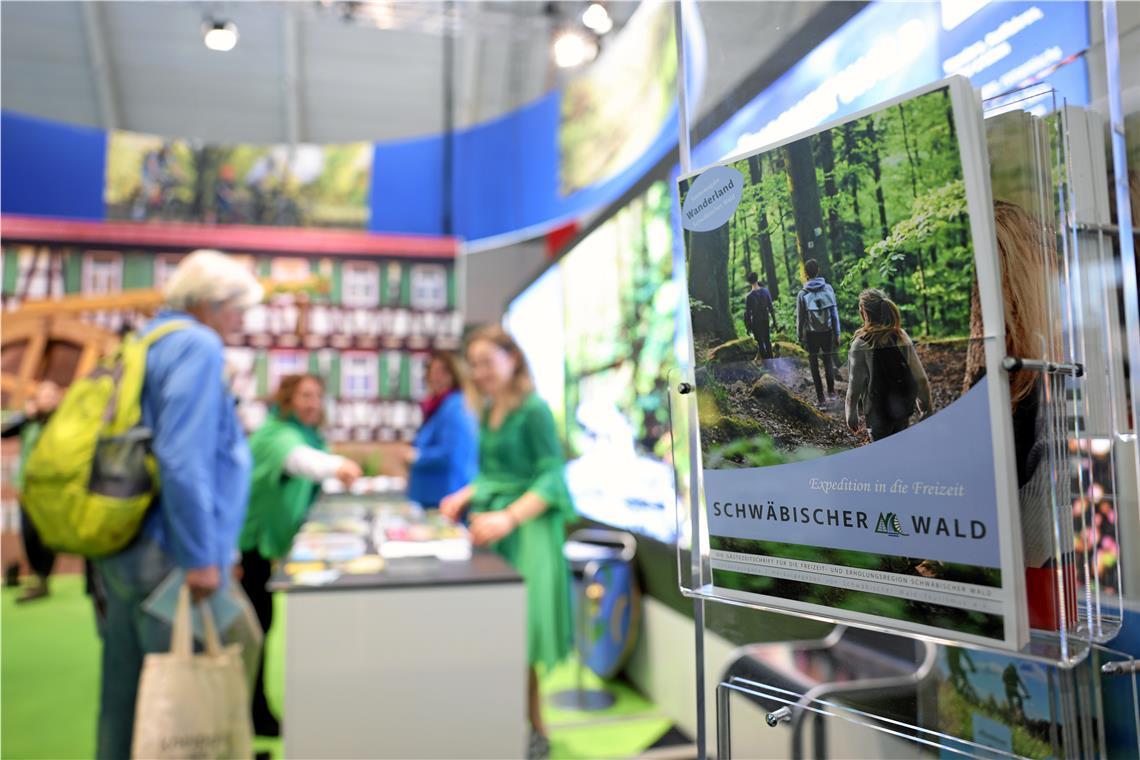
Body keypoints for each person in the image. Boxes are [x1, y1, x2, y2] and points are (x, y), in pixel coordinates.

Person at [94, 249, 263, 760]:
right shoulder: (197, 346)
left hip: (127, 541)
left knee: (126, 691)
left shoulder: (149, 339)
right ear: (210, 303)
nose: (241, 319)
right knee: (181, 698)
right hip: (170, 551)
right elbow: (183, 458)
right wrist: (200, 556)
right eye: (237, 307)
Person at [439, 327, 573, 760]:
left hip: (527, 533)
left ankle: (535, 730)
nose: (478, 372)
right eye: (473, 365)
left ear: (512, 358)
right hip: (493, 530)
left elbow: (552, 477)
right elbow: (491, 474)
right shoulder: (491, 409)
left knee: (521, 638)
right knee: (496, 634)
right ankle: (506, 723)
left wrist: (509, 515)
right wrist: (466, 494)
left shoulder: (534, 409)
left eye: (486, 361)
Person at [239, 374, 362, 737]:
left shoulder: (304, 433)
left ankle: (252, 714)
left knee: (261, 627)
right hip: (248, 548)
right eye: (305, 395)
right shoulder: (277, 434)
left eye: (318, 396)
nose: (312, 403)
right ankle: (252, 717)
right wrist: (337, 466)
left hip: (265, 549)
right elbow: (300, 460)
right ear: (287, 399)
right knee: (254, 631)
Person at [844, 289, 932, 442]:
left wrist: (850, 414)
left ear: (864, 312)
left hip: (877, 414)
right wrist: (926, 406)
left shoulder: (860, 344)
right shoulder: (901, 336)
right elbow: (921, 379)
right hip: (903, 408)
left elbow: (854, 387)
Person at [1, 381, 62, 602]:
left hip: (51, 490)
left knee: (46, 536)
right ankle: (37, 576)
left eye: (51, 395)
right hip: (27, 488)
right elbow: (4, 432)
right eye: (44, 395)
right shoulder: (28, 421)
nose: (48, 399)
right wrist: (26, 416)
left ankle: (43, 578)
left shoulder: (62, 421)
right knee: (28, 534)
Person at [404, 352, 478, 509]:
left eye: (442, 372)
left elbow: (451, 452)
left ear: (454, 374)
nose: (435, 377)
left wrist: (417, 456)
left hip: (444, 495)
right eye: (432, 371)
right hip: (430, 494)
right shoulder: (438, 406)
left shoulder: (456, 406)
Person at [795, 259, 840, 405]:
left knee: (814, 364)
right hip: (827, 331)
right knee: (828, 361)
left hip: (811, 334)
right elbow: (834, 313)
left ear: (806, 274)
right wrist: (837, 333)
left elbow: (800, 317)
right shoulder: (828, 289)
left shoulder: (802, 293)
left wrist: (799, 335)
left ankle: (821, 398)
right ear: (818, 270)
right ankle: (832, 392)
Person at [744, 271, 778, 360]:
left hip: (756, 321)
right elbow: (770, 307)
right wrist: (774, 321)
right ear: (757, 279)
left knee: (760, 343)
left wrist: (748, 327)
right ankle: (772, 362)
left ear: (749, 282)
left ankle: (766, 364)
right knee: (767, 340)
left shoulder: (749, 296)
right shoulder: (765, 291)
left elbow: (747, 313)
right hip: (765, 319)